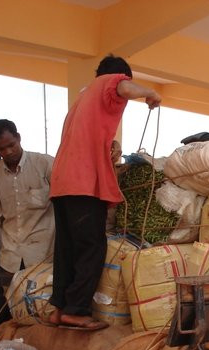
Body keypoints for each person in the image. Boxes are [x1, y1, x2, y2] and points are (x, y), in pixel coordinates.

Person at [47, 54, 161, 330]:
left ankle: (59, 309)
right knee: (91, 246)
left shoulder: (80, 102)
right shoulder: (109, 83)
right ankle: (76, 310)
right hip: (83, 181)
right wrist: (149, 93)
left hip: (63, 182)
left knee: (67, 248)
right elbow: (123, 86)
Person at [0, 119, 55, 276]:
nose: (8, 152)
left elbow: (64, 204)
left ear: (18, 138)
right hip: (9, 259)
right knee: (9, 299)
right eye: (1, 149)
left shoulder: (45, 164)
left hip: (44, 256)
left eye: (11, 145)